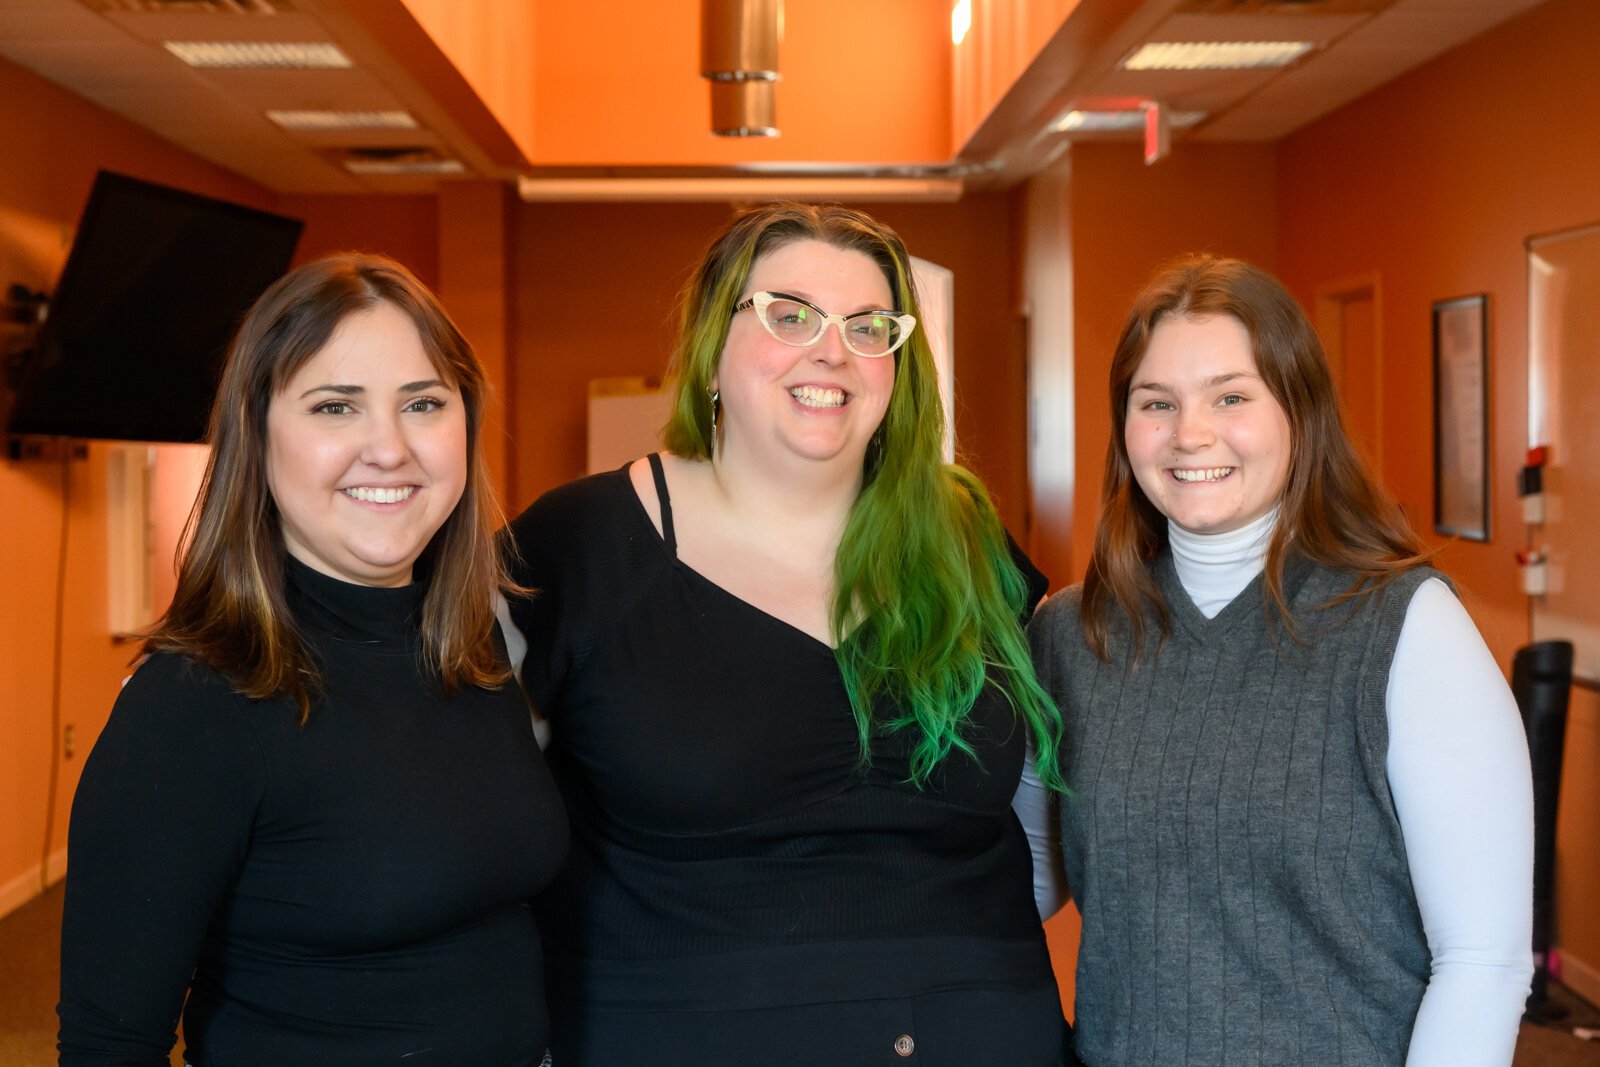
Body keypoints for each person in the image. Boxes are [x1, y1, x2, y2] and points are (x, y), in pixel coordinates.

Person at [505, 202, 1071, 1064]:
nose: (832, 351)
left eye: (869, 326)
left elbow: (1040, 840)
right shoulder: (581, 547)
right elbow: (476, 833)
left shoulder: (965, 542)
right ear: (712, 348)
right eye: (790, 314)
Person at [57, 253, 568, 1066]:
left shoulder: (476, 650)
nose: (390, 448)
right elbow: (109, 1041)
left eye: (424, 404)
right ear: (257, 437)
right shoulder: (192, 703)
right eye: (336, 407)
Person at [1028, 254, 1533, 1066]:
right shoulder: (1071, 635)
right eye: (1157, 402)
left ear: (1299, 411)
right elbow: (1018, 883)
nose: (1190, 433)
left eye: (1232, 396)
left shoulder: (1407, 628)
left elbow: (1483, 960)